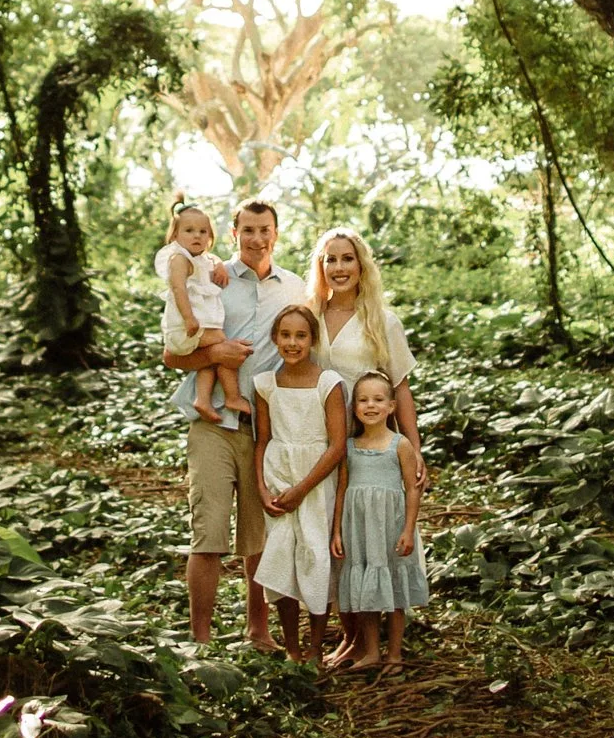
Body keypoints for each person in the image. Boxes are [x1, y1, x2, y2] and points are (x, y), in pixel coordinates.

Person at [161, 199, 303, 648]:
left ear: (276, 233)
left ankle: (258, 630)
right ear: (233, 233)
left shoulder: (296, 289)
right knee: (209, 532)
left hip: (268, 429)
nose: (257, 239)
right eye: (248, 230)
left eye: (265, 230)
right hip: (215, 423)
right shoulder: (211, 276)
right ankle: (200, 641)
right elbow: (172, 356)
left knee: (259, 535)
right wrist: (215, 354)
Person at [251, 304, 346, 664]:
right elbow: (262, 440)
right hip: (278, 477)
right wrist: (263, 489)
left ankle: (316, 648)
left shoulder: (328, 383)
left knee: (316, 557)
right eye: (285, 335)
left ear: (312, 340)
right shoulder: (265, 384)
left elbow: (337, 445)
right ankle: (292, 648)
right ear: (275, 339)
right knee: (282, 560)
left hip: (315, 481)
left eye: (301, 336)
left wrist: (303, 488)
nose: (292, 343)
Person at [330, 370, 428, 672]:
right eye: (363, 400)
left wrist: (408, 529)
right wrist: (337, 531)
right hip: (358, 528)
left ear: (391, 406)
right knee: (366, 587)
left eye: (378, 399)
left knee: (394, 587)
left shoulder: (400, 444)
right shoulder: (349, 446)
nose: (370, 405)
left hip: (391, 527)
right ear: (354, 407)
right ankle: (371, 652)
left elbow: (412, 489)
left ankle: (394, 655)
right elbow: (342, 488)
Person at [309, 227, 423, 455]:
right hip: (313, 440)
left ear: (361, 265)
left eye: (348, 259)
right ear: (321, 267)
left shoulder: (383, 322)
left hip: (365, 443)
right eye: (331, 260)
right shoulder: (309, 318)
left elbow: (400, 388)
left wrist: (415, 451)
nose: (339, 268)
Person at [156, 204, 244, 422]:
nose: (197, 235)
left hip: (192, 327)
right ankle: (232, 396)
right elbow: (178, 289)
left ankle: (202, 400)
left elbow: (210, 258)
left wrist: (219, 264)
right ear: (175, 235)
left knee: (211, 355)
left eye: (203, 231)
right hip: (185, 328)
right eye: (189, 230)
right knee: (223, 346)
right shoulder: (178, 259)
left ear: (210, 236)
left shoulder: (200, 259)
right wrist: (189, 318)